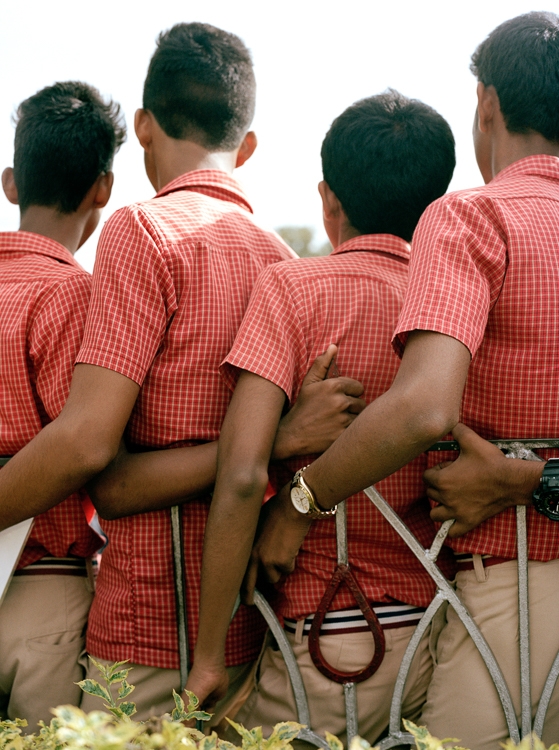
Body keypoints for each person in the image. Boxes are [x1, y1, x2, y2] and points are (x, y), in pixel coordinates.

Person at [0, 23, 365, 723]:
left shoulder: (143, 231)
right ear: (248, 145)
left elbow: (90, 451)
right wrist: (273, 442)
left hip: (143, 620)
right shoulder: (288, 268)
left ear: (142, 125)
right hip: (244, 624)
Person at [242, 12, 559, 749]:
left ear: (484, 104)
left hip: (516, 597)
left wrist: (300, 498)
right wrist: (535, 473)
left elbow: (421, 408)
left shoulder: (474, 218)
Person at [186, 91, 456, 745]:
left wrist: (208, 656)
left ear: (327, 198)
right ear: (437, 206)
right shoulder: (453, 304)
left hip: (326, 633)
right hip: (444, 632)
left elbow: (244, 475)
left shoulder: (292, 289)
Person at [0, 81, 125, 729]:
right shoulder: (77, 299)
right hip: (40, 588)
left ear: (10, 181)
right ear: (103, 189)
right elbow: (88, 454)